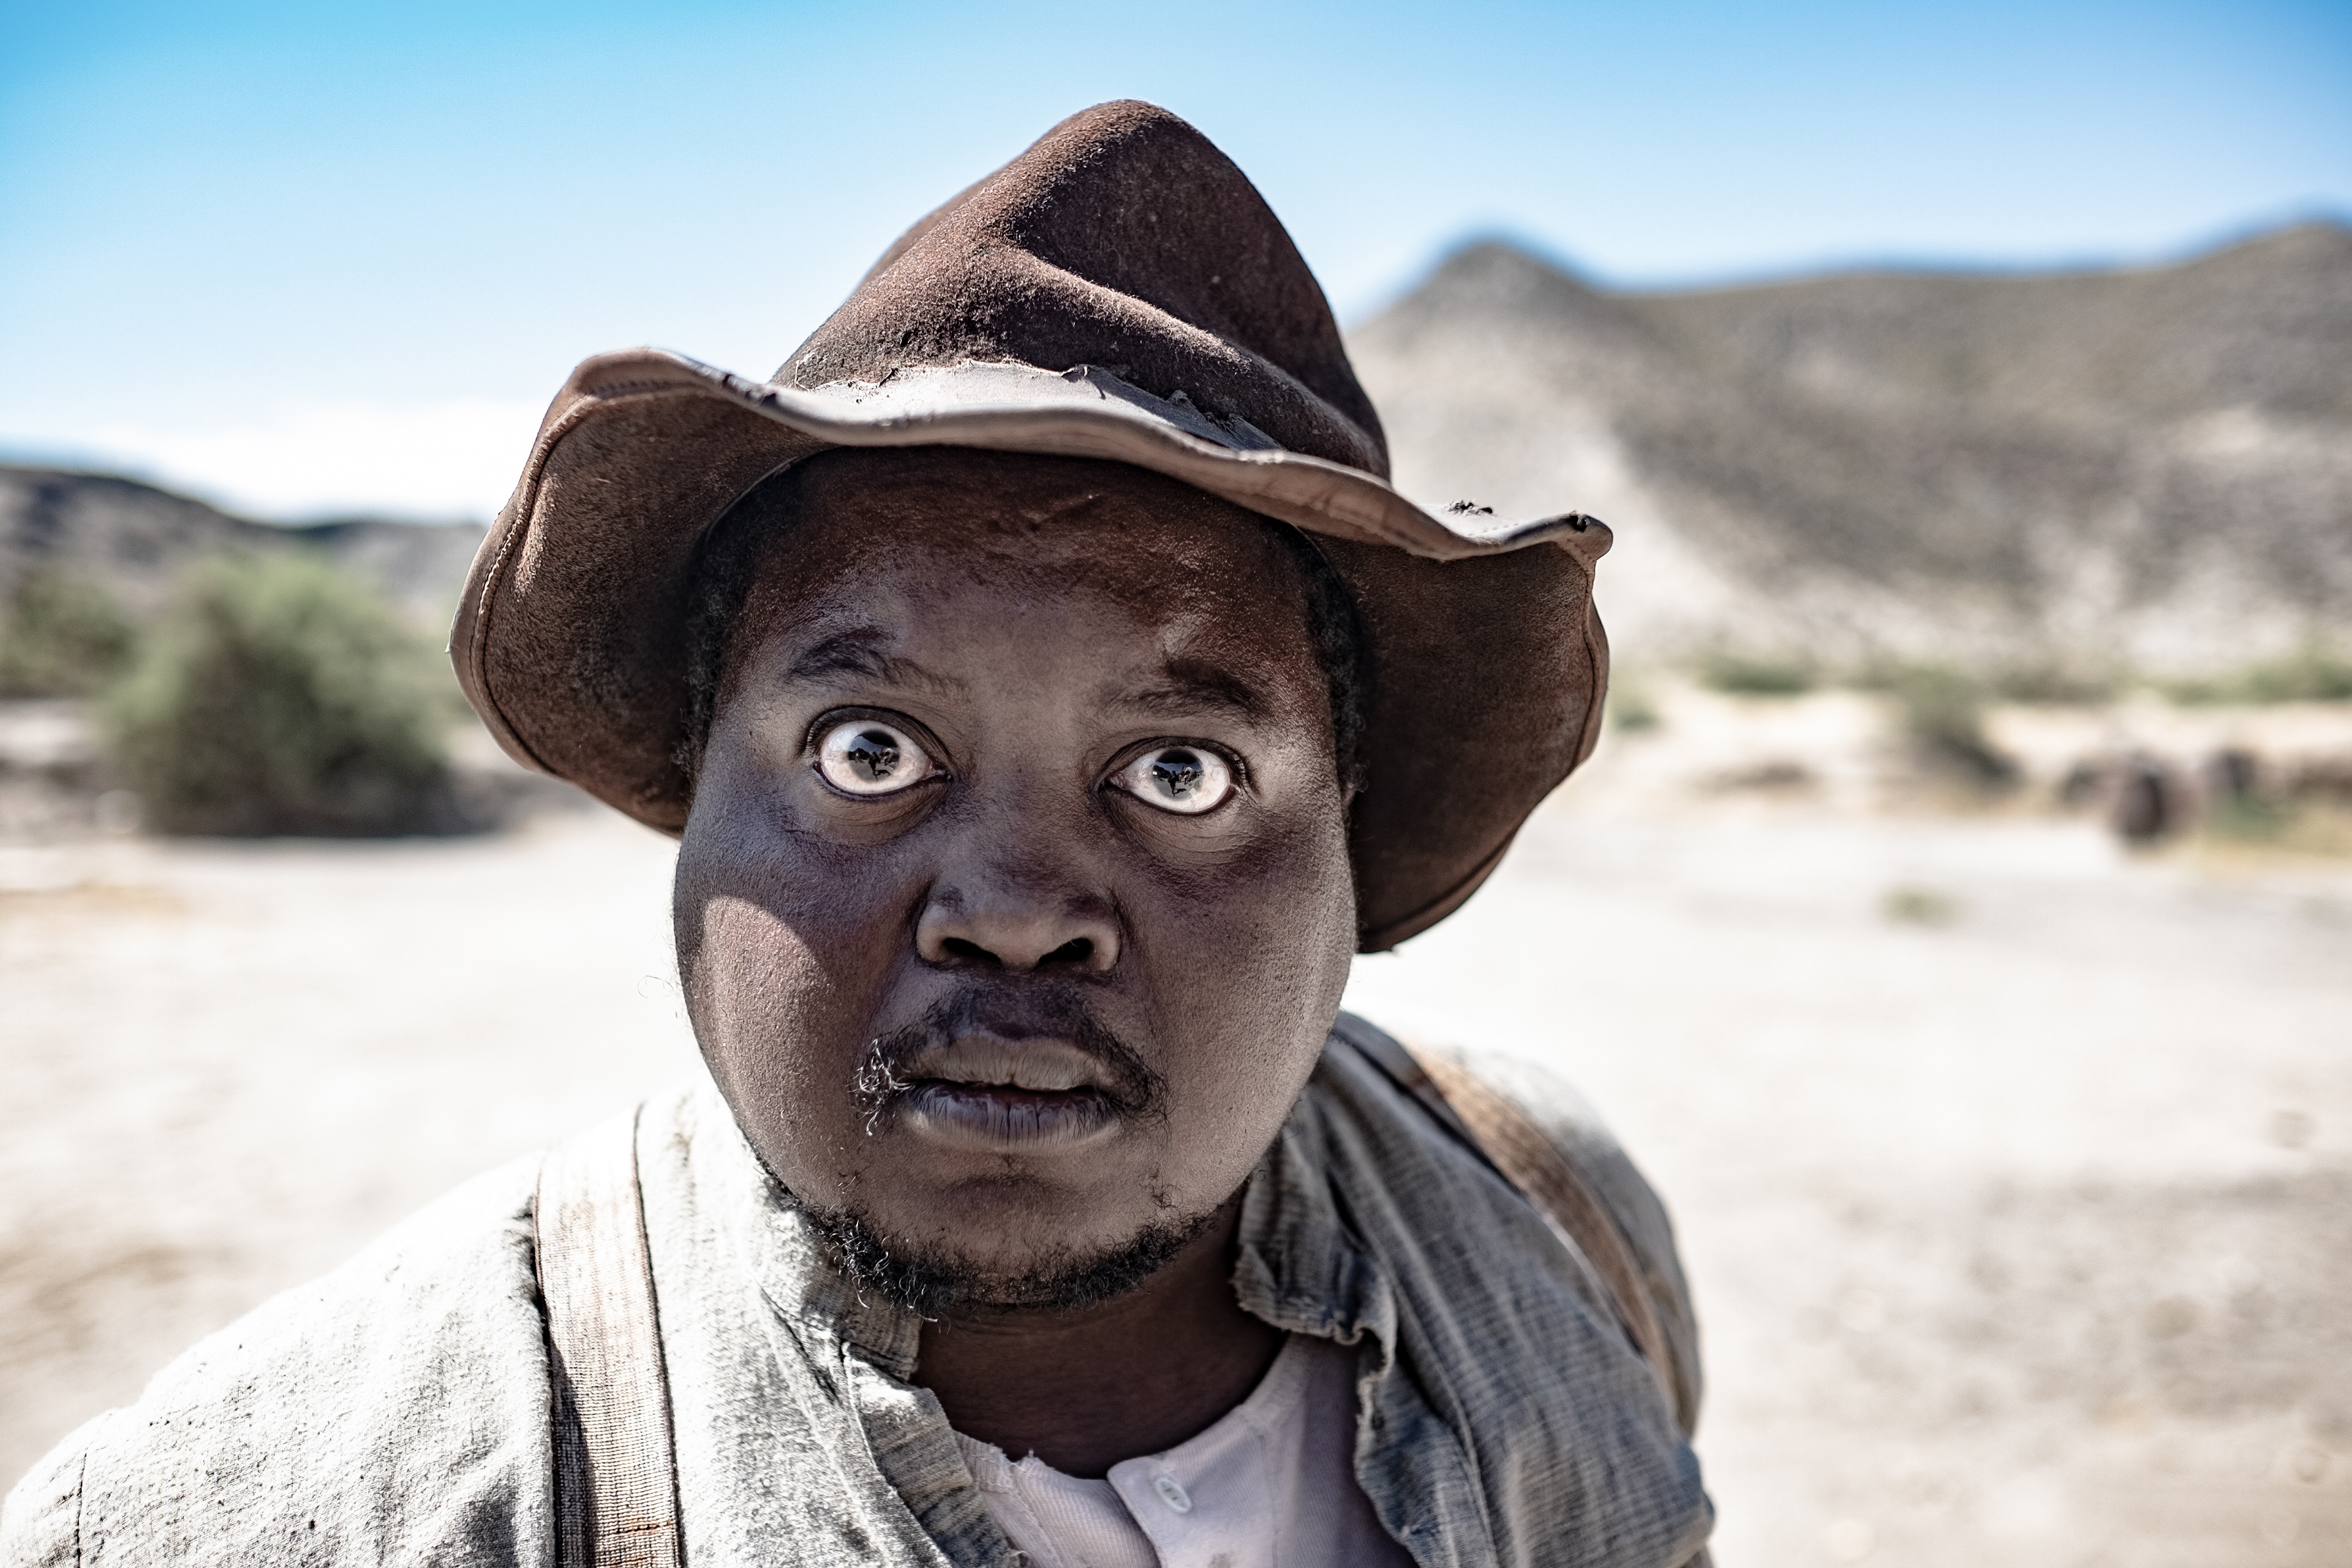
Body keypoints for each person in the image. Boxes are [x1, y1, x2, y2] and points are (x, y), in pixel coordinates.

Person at [2, 101, 1711, 1567]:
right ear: (699, 798)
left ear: (1345, 837)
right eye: (870, 749)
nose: (1017, 911)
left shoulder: (1545, 1217)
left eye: (1180, 772)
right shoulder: (293, 1507)